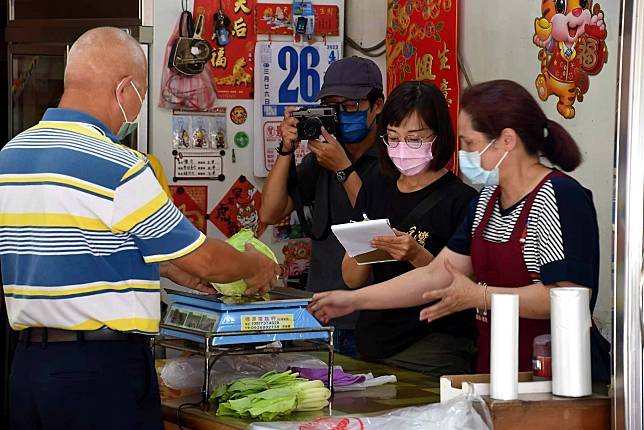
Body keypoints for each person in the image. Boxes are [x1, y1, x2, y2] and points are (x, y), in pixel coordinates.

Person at [0, 27, 279, 430]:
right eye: (142, 94)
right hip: (100, 374)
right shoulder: (118, 165)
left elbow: (79, 246)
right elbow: (203, 258)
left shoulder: (13, 155)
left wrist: (166, 267)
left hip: (29, 369)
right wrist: (253, 266)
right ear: (125, 90)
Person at [310, 79, 611, 381]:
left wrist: (480, 296)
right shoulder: (486, 202)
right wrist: (351, 300)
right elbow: (435, 274)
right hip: (497, 367)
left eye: (469, 143)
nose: (463, 153)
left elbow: (569, 297)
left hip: (562, 373)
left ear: (507, 140)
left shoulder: (558, 195)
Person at [342, 81, 478, 377]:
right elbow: (352, 279)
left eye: (415, 139)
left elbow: (464, 288)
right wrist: (364, 246)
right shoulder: (376, 187)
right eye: (393, 138)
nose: (402, 149)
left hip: (432, 347)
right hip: (373, 344)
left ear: (438, 137)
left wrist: (416, 254)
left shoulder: (463, 201)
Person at [260, 57, 385, 357]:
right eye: (332, 106)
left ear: (377, 104)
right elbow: (270, 212)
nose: (342, 116)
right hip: (318, 313)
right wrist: (286, 149)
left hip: (368, 318)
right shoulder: (321, 159)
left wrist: (343, 169)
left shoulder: (393, 158)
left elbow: (380, 229)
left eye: (351, 105)